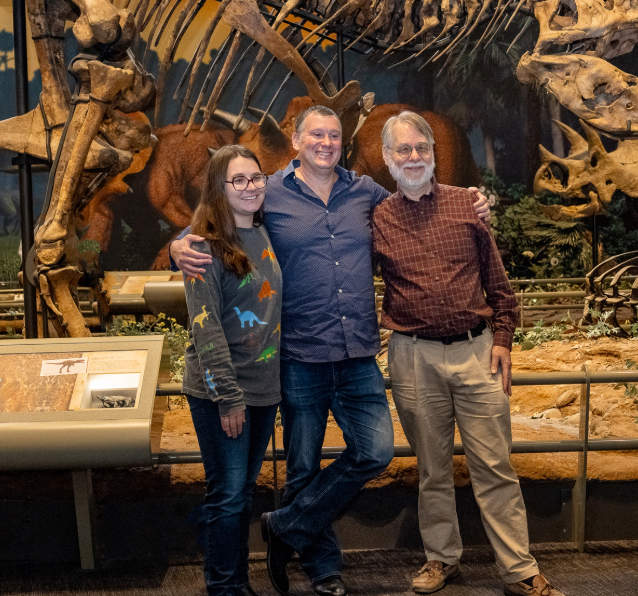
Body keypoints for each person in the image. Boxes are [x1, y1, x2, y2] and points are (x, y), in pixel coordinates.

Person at [170, 105, 490, 596]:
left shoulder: (365, 191)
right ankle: (323, 567)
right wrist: (180, 244)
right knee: (301, 466)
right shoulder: (268, 191)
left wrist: (474, 201)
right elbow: (217, 221)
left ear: (345, 142)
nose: (325, 143)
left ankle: (287, 526)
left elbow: (416, 199)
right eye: (316, 134)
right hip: (300, 356)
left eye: (334, 135)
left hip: (357, 351)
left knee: (375, 451)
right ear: (296, 141)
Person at [372, 111, 566, 596]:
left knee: (495, 466)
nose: (413, 157)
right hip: (412, 357)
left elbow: (497, 281)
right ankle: (441, 558)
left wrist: (502, 339)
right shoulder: (376, 217)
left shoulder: (467, 204)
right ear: (387, 157)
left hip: (477, 352)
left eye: (421, 148)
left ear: (433, 153)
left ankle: (519, 570)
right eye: (403, 149)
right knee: (432, 470)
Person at [181, 145, 282, 596]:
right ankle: (223, 587)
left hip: (262, 389)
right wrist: (228, 397)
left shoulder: (263, 232)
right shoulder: (202, 247)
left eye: (256, 178)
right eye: (238, 180)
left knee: (241, 492)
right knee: (227, 493)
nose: (250, 187)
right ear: (218, 188)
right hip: (222, 392)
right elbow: (206, 329)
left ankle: (237, 581)